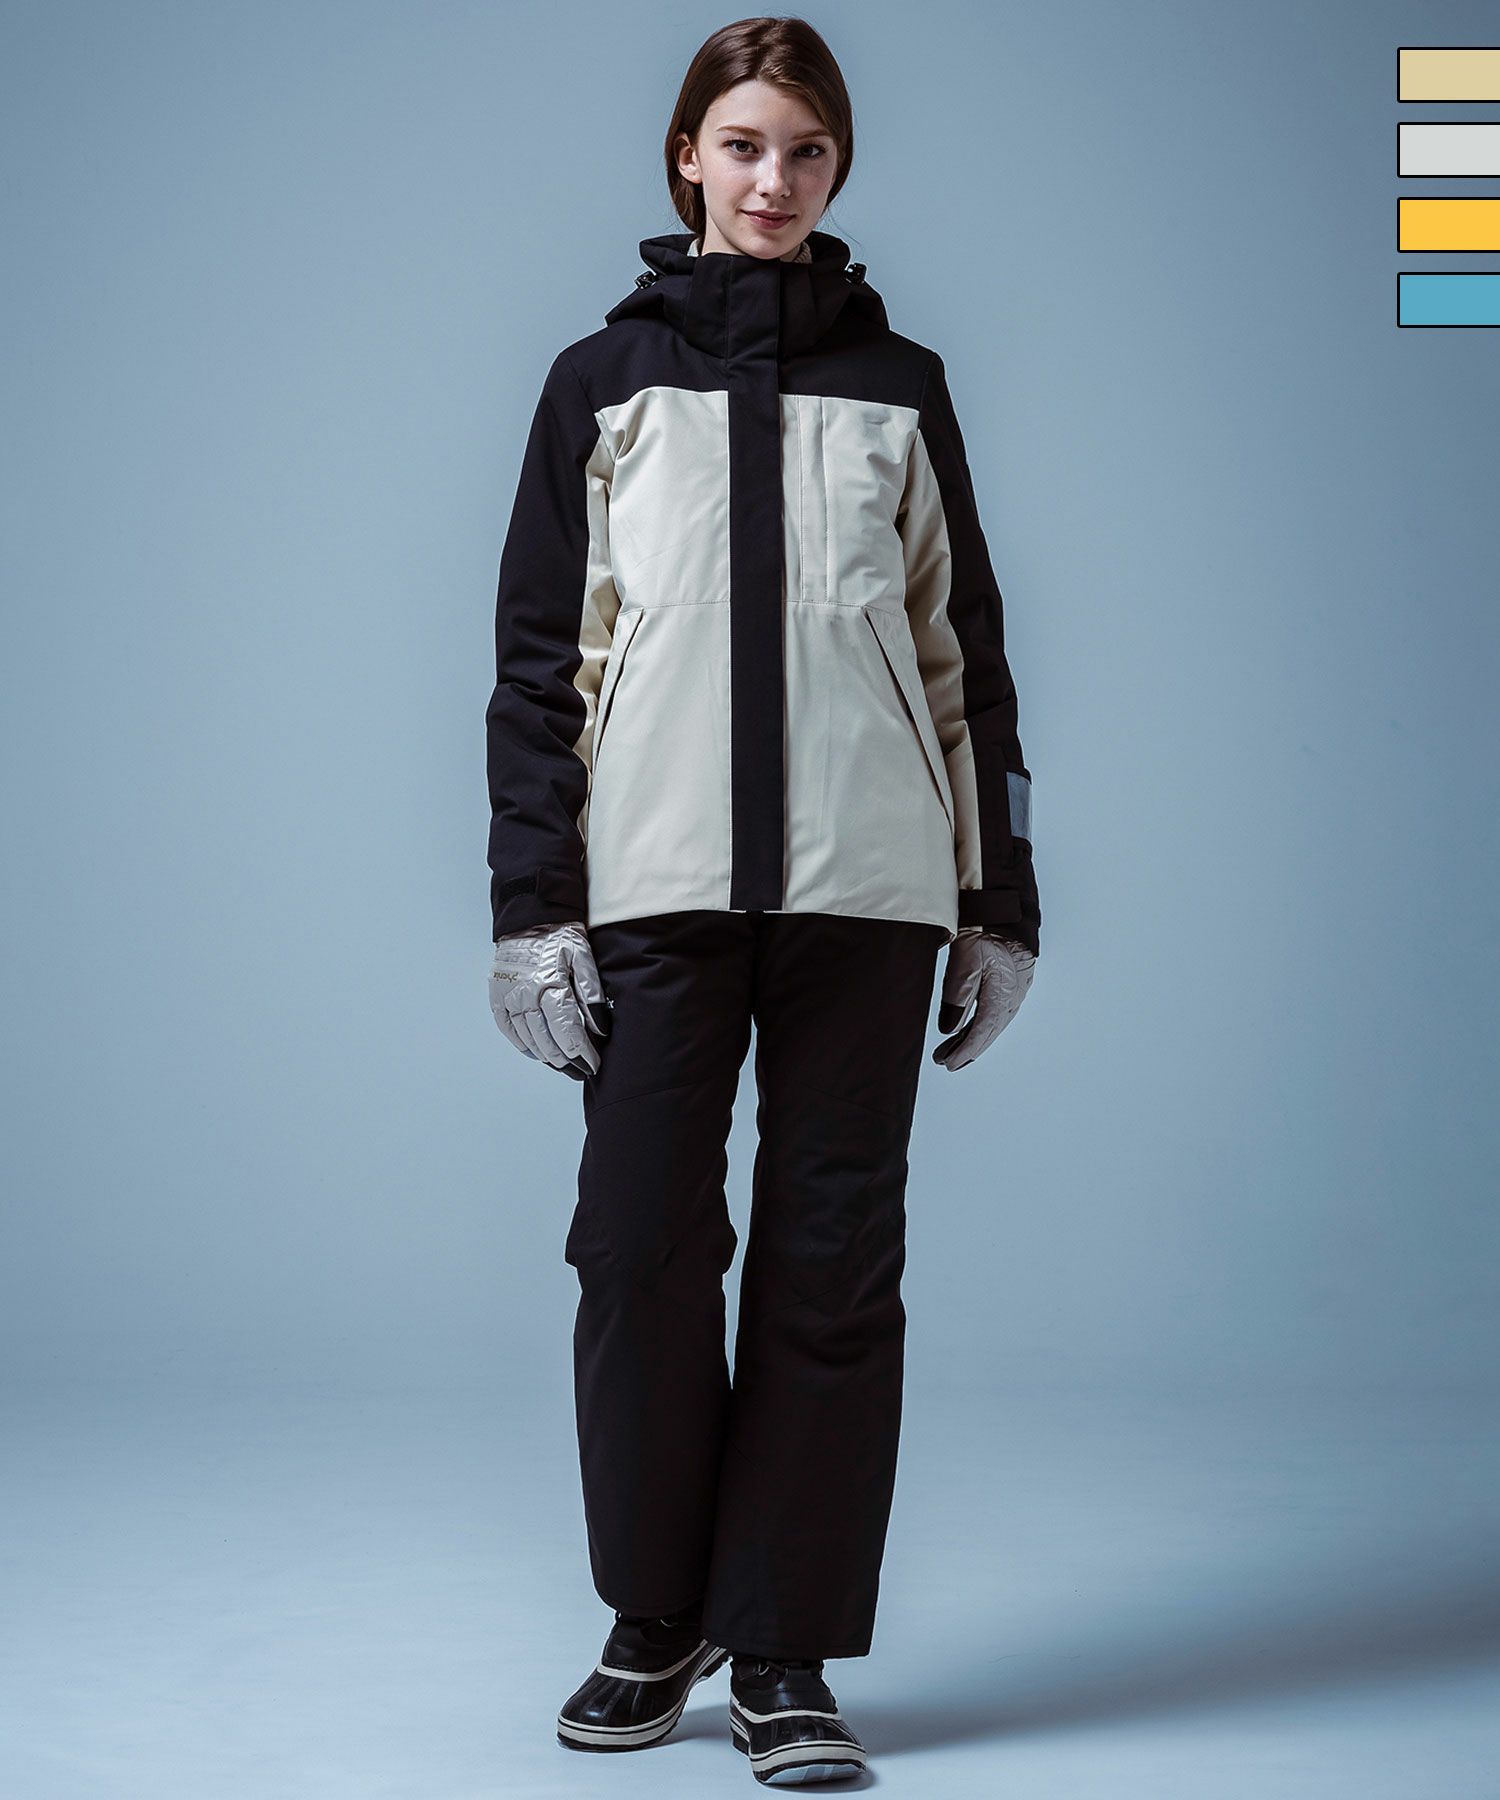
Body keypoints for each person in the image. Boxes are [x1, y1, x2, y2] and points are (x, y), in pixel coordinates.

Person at [484, 16, 1040, 1787]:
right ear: (686, 157)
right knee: (639, 1245)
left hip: (868, 894)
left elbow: (963, 657)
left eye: (804, 150)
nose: (772, 179)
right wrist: (532, 903)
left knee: (830, 1262)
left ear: (836, 165)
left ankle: (784, 1643)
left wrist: (998, 898)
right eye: (742, 145)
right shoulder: (602, 381)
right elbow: (539, 666)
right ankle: (660, 1617)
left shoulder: (902, 386)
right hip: (653, 888)